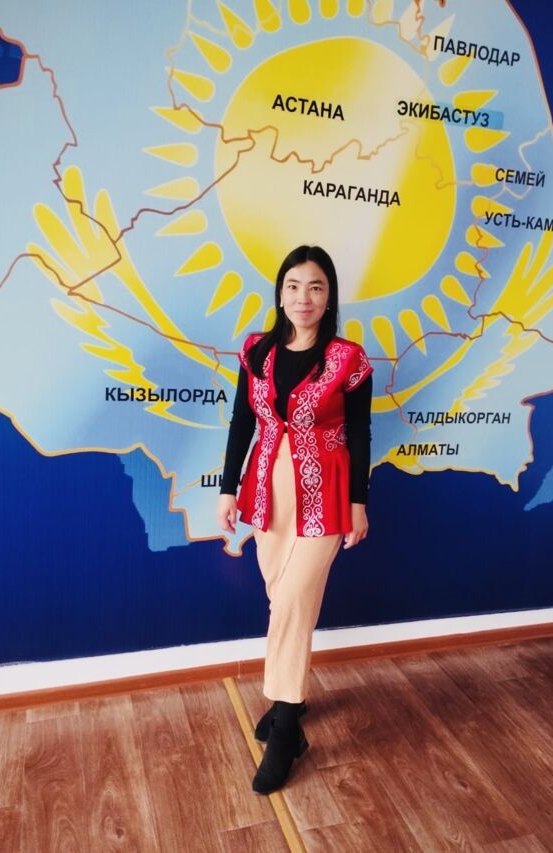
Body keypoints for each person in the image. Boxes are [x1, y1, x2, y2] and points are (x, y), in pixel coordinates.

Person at [216, 245, 373, 795]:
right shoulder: (255, 350)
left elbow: (360, 432)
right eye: (293, 286)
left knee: (292, 602)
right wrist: (227, 487)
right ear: (280, 293)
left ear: (330, 297)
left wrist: (358, 502)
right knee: (277, 594)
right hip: (267, 488)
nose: (304, 297)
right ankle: (293, 700)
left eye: (316, 287)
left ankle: (285, 729)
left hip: (325, 490)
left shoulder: (348, 359)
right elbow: (242, 421)